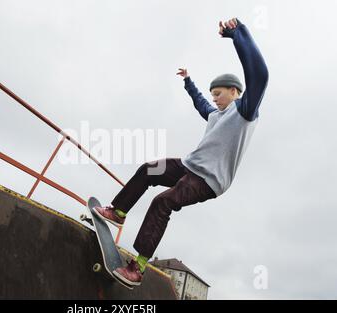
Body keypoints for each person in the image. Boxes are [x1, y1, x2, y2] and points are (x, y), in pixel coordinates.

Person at [94, 17, 269, 286]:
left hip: (207, 180)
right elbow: (201, 104)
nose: (214, 99)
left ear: (235, 92)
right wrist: (189, 82)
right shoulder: (216, 114)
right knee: (149, 169)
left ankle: (138, 267)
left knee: (163, 202)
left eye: (219, 94)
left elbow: (260, 75)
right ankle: (118, 211)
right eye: (213, 95)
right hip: (189, 166)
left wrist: (238, 35)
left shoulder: (244, 112)